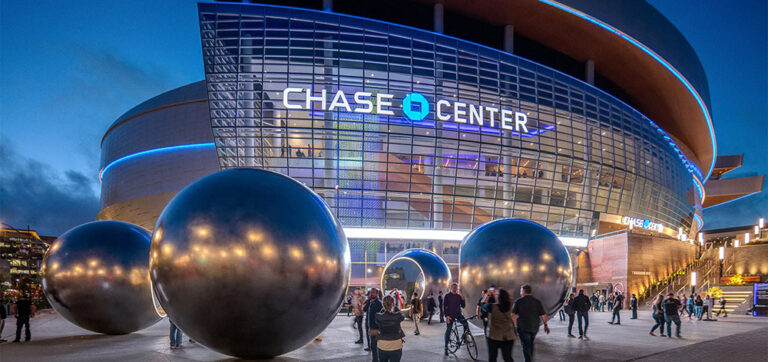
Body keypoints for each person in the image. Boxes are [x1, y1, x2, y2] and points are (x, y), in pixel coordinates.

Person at [512, 284, 549, 362]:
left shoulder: (519, 301)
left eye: (521, 291)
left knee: (525, 346)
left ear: (524, 291)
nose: (520, 292)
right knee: (530, 344)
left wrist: (515, 326)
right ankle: (530, 359)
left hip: (523, 328)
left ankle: (528, 360)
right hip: (534, 327)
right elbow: (543, 314)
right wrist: (546, 325)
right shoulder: (537, 302)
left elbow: (513, 315)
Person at [482, 288, 516, 362]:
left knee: (492, 358)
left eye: (496, 294)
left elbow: (483, 305)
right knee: (508, 358)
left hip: (494, 337)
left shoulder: (492, 307)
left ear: (498, 297)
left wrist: (488, 294)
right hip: (508, 336)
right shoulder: (511, 307)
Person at [376, 295, 405, 362]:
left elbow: (381, 314)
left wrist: (384, 308)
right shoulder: (398, 315)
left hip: (383, 345)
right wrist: (394, 307)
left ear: (383, 304)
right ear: (393, 304)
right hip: (396, 345)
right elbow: (402, 315)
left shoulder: (378, 316)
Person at [443, 283, 468, 356]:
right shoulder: (447, 296)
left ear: (457, 288)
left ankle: (464, 338)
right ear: (451, 288)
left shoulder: (458, 296)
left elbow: (463, 306)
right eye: (453, 287)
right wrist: (446, 316)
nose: (454, 288)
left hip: (458, 315)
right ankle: (446, 348)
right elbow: (444, 307)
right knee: (449, 330)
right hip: (450, 316)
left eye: (456, 287)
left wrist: (463, 300)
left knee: (465, 324)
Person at [365, 288, 384, 361]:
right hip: (371, 327)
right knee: (373, 346)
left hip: (375, 328)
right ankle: (375, 359)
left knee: (375, 345)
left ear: (377, 294)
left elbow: (380, 316)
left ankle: (376, 360)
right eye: (371, 292)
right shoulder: (370, 302)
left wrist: (377, 328)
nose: (371, 294)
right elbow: (365, 309)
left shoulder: (378, 303)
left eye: (373, 292)